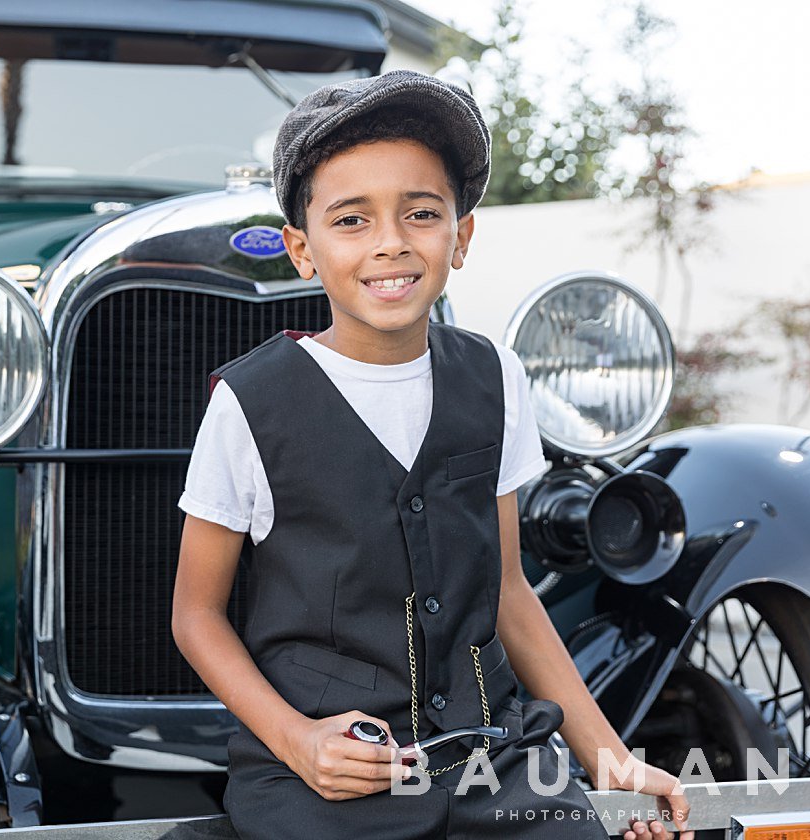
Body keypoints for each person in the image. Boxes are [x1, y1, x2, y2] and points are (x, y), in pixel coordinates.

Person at [171, 70, 693, 840]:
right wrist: (298, 741)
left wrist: (607, 757)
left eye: (421, 213)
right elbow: (196, 615)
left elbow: (509, 590)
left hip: (496, 767)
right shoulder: (249, 404)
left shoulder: (497, 377)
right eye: (351, 220)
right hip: (328, 779)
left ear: (462, 235)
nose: (390, 242)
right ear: (301, 250)